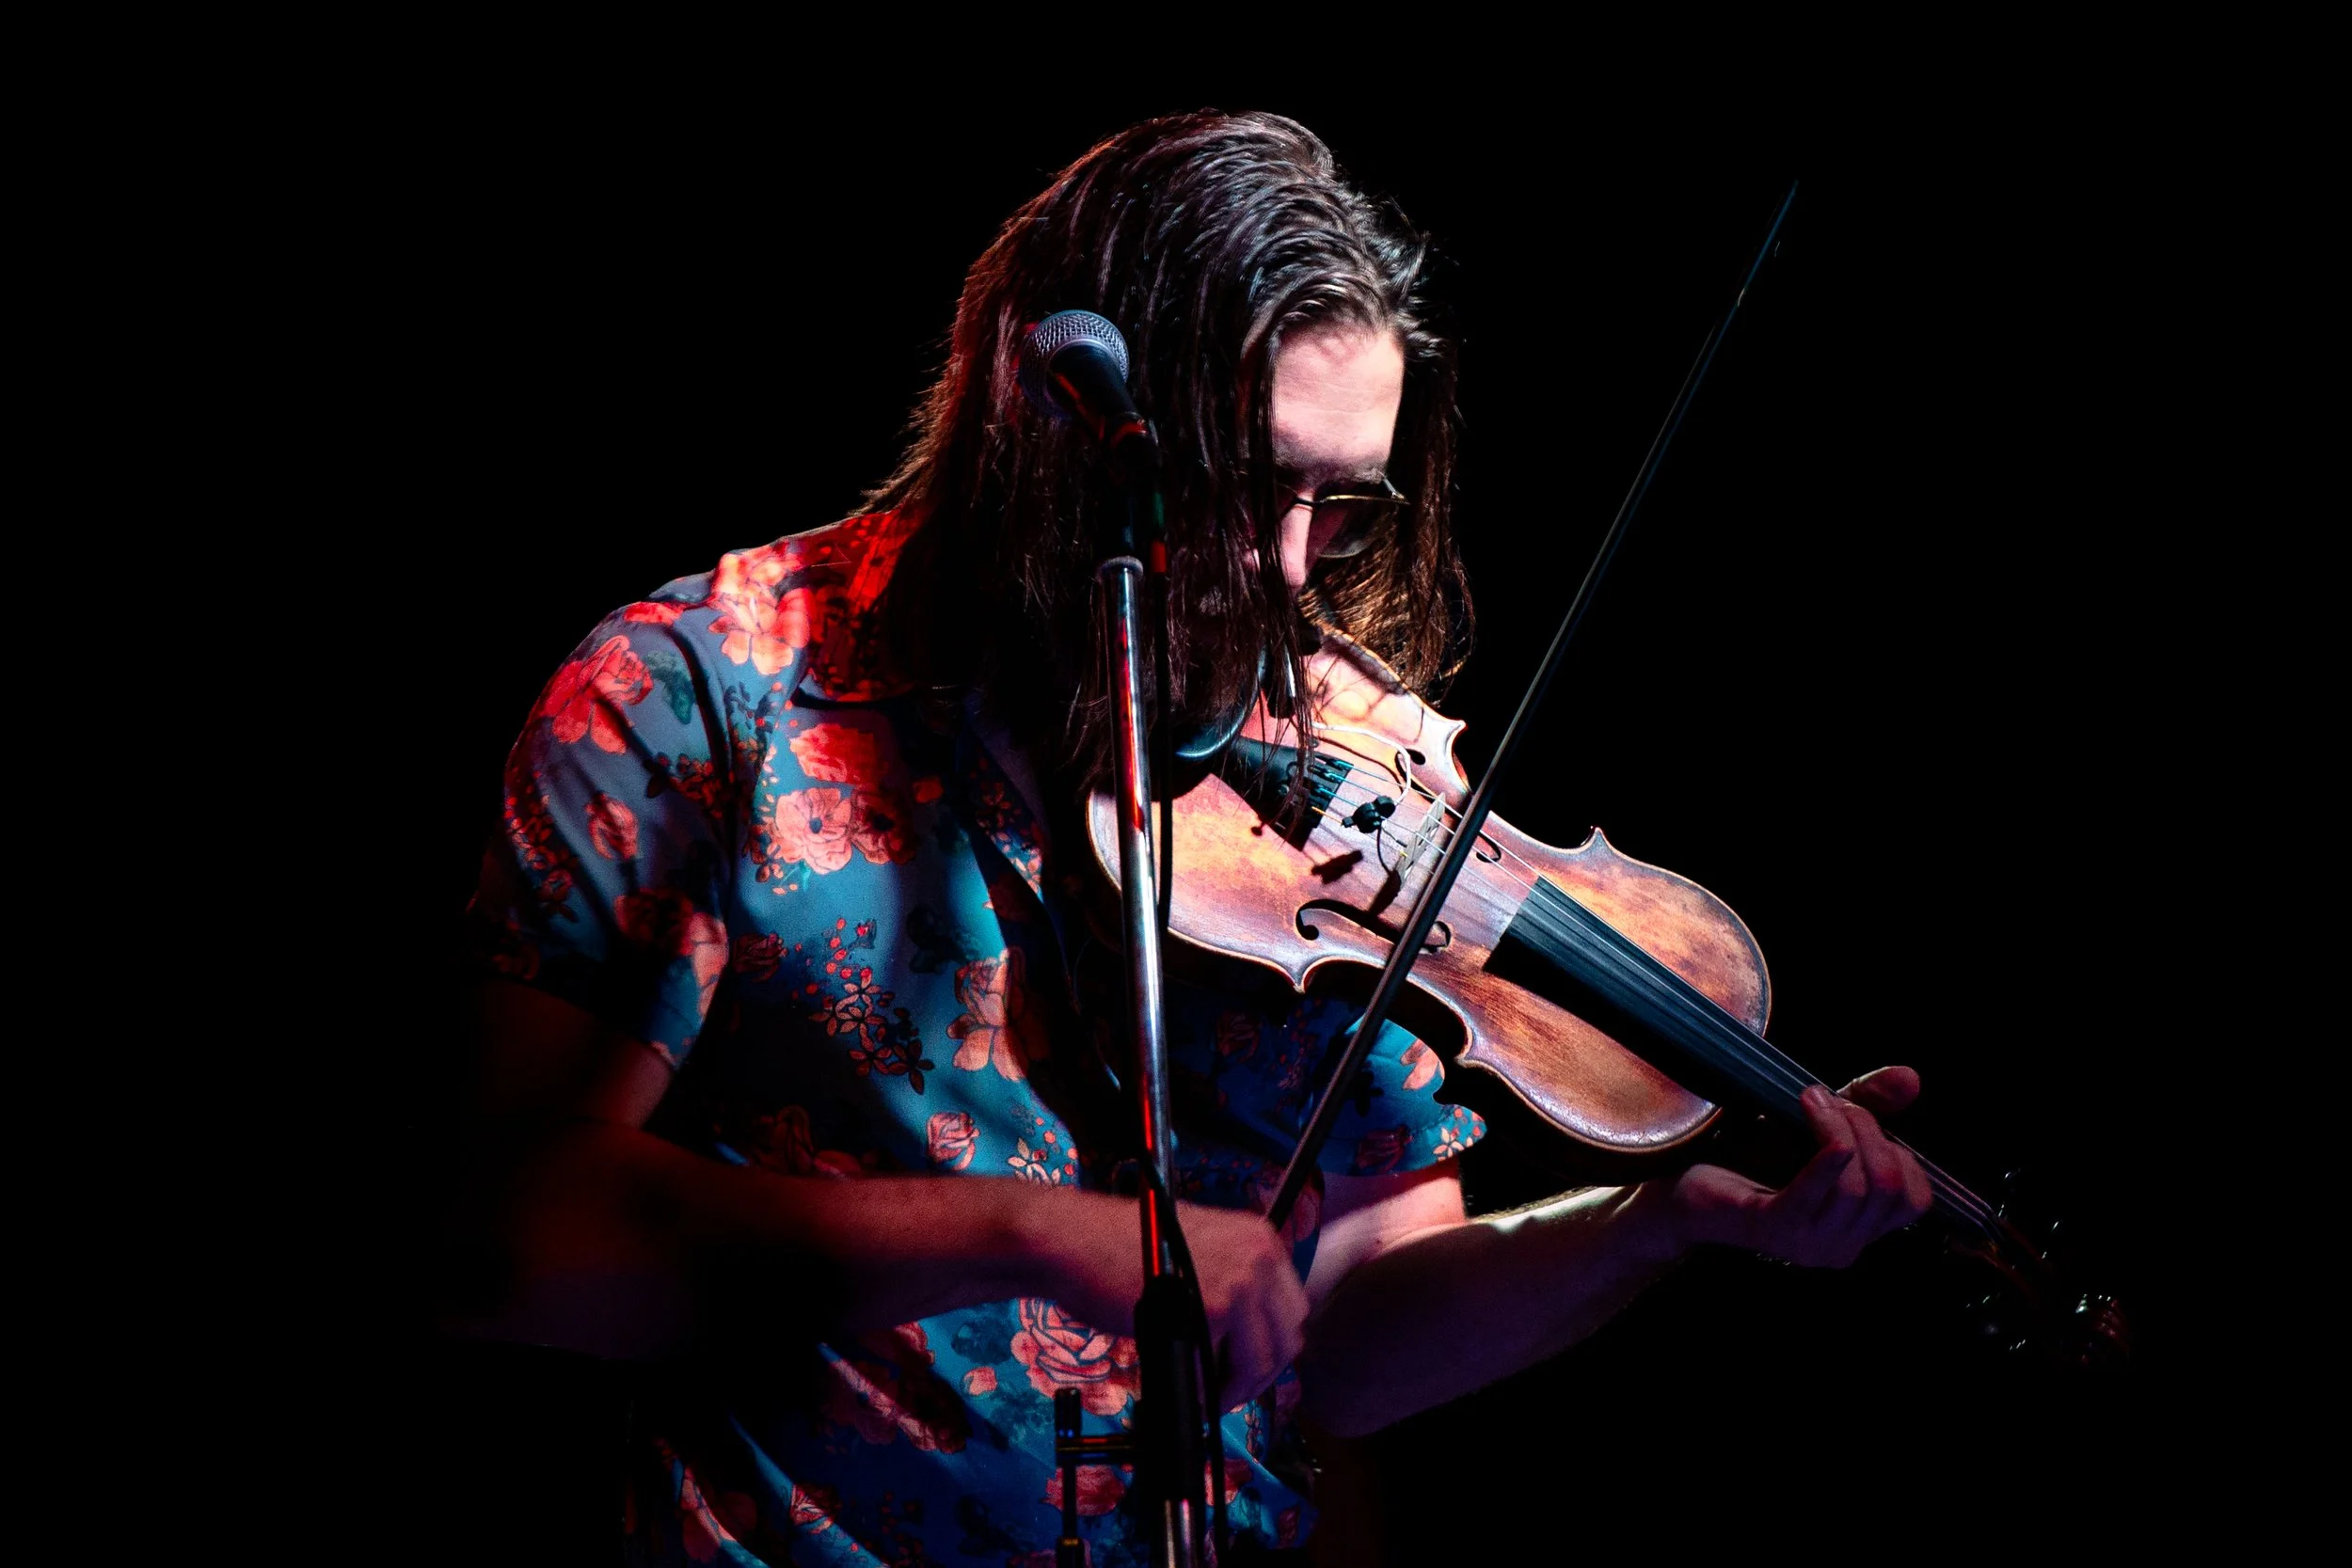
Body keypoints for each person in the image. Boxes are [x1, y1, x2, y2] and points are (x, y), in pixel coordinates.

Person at [448, 110, 1931, 1566]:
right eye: (1240, 487)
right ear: (1042, 401)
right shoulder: (702, 696)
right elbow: (505, 1229)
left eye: (1339, 509)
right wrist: (1030, 1234)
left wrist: (1648, 1224)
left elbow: (1349, 1328)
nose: (1287, 571)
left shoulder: (1350, 763)